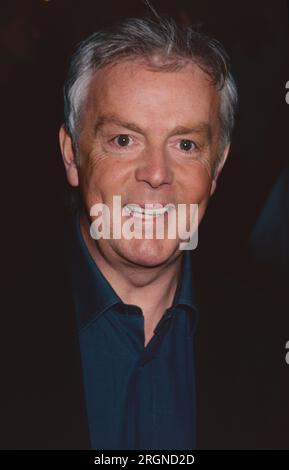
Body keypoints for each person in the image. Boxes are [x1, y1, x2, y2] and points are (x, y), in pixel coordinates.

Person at [1, 15, 288, 451]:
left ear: (218, 168)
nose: (156, 174)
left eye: (186, 145)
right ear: (71, 155)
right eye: (123, 140)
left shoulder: (269, 342)